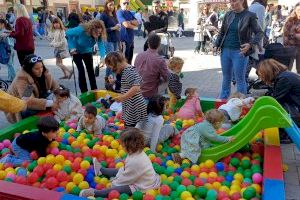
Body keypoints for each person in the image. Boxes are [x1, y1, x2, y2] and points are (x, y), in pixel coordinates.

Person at [79, 128, 161, 198]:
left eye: (123, 145)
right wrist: (120, 173)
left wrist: (114, 183)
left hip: (143, 185)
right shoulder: (136, 152)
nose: (121, 147)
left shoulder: (135, 161)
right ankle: (101, 170)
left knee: (120, 189)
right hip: (140, 177)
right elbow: (125, 170)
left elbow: (126, 178)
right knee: (119, 170)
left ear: (129, 146)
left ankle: (96, 193)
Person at [214, 0, 264, 99]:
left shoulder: (250, 15)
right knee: (226, 77)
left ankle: (242, 103)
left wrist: (250, 44)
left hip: (240, 52)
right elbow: (222, 32)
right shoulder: (228, 14)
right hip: (225, 51)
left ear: (241, 1)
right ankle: (222, 101)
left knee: (240, 79)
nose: (232, 4)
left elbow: (259, 33)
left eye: (234, 1)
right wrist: (216, 44)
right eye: (230, 1)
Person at [5, 54, 59, 123]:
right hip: (18, 108)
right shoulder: (23, 79)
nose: (40, 70)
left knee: (54, 96)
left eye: (41, 67)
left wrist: (61, 95)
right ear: (29, 69)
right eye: (36, 69)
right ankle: (35, 122)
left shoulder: (44, 72)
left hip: (35, 98)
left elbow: (56, 87)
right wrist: (52, 103)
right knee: (32, 109)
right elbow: (28, 101)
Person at [105, 52, 147, 127]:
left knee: (131, 130)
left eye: (112, 68)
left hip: (134, 108)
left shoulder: (128, 71)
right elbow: (130, 85)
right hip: (131, 106)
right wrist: (115, 82)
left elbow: (136, 87)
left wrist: (123, 97)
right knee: (130, 128)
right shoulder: (127, 70)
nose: (112, 71)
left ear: (117, 64)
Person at [66, 20, 106, 93]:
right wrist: (71, 47)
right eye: (96, 32)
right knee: (81, 70)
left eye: (100, 32)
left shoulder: (98, 34)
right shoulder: (81, 29)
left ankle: (94, 89)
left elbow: (101, 45)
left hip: (87, 51)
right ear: (91, 29)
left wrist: (102, 57)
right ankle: (84, 92)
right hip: (76, 51)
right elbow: (67, 33)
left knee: (90, 70)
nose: (98, 34)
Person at [256, 59, 300, 126]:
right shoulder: (284, 75)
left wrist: (257, 102)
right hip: (296, 105)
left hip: (296, 109)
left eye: (261, 75)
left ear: (267, 72)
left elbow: (274, 100)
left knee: (272, 109)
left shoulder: (284, 79)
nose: (261, 78)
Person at [134, 33, 169, 99]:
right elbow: (167, 77)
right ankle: (162, 100)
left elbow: (136, 72)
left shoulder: (138, 55)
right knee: (170, 79)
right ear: (159, 44)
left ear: (148, 43)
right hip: (149, 93)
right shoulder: (160, 60)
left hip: (137, 90)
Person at [100, 0, 121, 92]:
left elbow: (117, 27)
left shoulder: (114, 15)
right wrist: (113, 28)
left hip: (115, 39)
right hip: (108, 40)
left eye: (113, 5)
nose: (112, 6)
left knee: (114, 62)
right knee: (110, 62)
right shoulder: (103, 15)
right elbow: (102, 29)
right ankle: (107, 82)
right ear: (106, 5)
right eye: (110, 5)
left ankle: (111, 81)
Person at [116, 0, 138, 64]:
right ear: (120, 4)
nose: (126, 4)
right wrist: (133, 25)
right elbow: (126, 25)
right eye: (124, 3)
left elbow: (137, 23)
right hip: (124, 40)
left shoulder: (129, 12)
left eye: (127, 3)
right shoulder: (119, 12)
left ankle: (129, 72)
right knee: (124, 61)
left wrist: (130, 22)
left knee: (129, 60)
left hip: (131, 39)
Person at [283, 3, 300, 73]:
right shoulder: (290, 20)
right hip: (291, 47)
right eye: (299, 10)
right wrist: (295, 35)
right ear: (295, 10)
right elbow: (285, 33)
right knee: (287, 68)